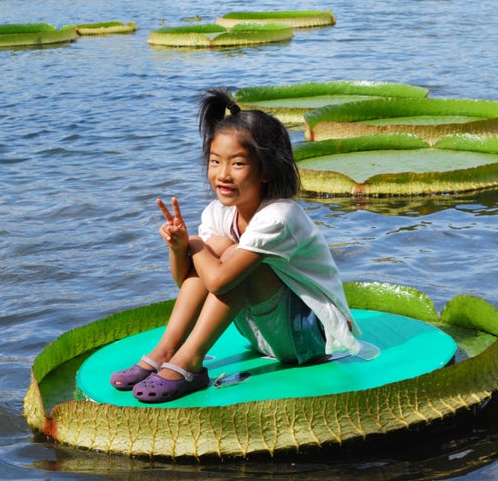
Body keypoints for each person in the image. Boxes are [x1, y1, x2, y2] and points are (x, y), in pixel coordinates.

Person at [110, 89, 361, 403]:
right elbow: (189, 281)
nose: (222, 175)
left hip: (309, 338)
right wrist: (179, 248)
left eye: (237, 164)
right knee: (219, 248)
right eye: (215, 162)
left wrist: (197, 244)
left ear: (266, 170)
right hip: (263, 336)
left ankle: (189, 362)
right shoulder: (218, 213)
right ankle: (167, 349)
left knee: (225, 255)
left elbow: (218, 280)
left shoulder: (280, 217)